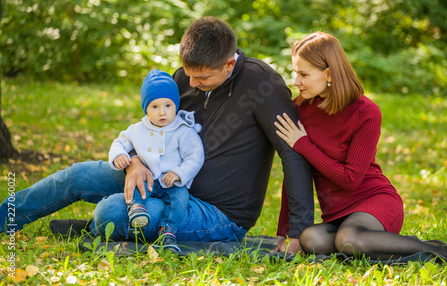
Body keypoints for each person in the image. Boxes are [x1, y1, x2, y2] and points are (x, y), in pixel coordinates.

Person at [0, 17, 314, 247]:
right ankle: (5, 218)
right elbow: (150, 127)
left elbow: (294, 154)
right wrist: (135, 161)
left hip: (215, 212)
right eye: (188, 74)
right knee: (77, 176)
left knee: (113, 214)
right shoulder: (184, 78)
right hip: (155, 178)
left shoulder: (263, 86)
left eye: (202, 77)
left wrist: (298, 233)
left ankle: (101, 226)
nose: (191, 84)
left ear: (229, 64)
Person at [272, 32, 447, 263]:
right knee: (311, 240)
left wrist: (304, 145)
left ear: (328, 73)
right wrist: (286, 233)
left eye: (303, 74)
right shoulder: (299, 110)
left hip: (373, 202)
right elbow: (294, 171)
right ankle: (393, 245)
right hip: (337, 215)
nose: (295, 81)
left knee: (349, 241)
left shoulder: (365, 112)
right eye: (295, 72)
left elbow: (350, 179)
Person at [109, 69, 204, 251]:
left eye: (168, 106)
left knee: (180, 198)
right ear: (146, 108)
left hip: (171, 182)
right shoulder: (137, 129)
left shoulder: (183, 131)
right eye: (155, 107)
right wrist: (119, 155)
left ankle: (167, 229)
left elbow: (195, 156)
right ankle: (137, 209)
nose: (162, 112)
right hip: (147, 177)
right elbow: (120, 142)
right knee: (137, 185)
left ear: (176, 105)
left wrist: (179, 173)